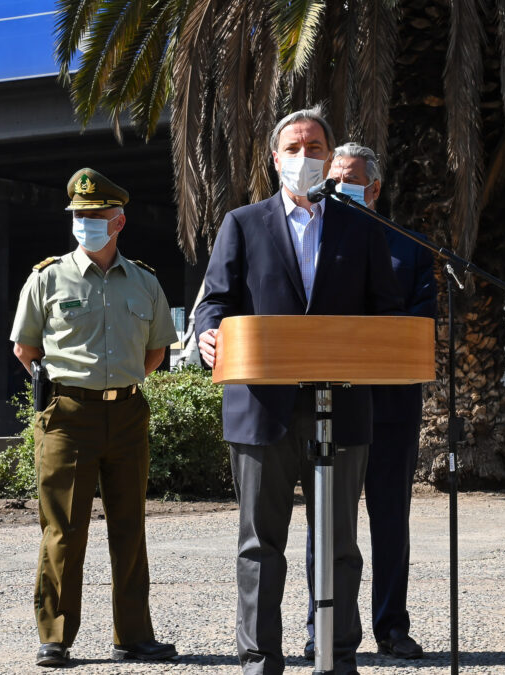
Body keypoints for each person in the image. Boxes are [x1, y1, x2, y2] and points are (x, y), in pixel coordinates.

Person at [195, 108, 403, 675]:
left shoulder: (362, 228)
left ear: (330, 160)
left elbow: (385, 311)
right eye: (293, 146)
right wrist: (210, 332)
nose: (303, 156)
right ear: (274, 157)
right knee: (260, 545)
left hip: (342, 407)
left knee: (338, 545)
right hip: (262, 408)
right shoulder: (242, 223)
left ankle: (335, 657)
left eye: (315, 147)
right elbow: (215, 299)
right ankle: (260, 659)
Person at [10, 168, 178, 668]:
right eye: (79, 215)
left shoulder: (145, 282)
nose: (85, 222)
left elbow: (155, 353)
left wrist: (118, 384)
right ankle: (55, 637)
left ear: (119, 220)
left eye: (95, 215)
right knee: (63, 529)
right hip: (67, 416)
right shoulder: (47, 277)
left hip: (127, 414)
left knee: (130, 527)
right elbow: (25, 347)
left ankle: (133, 635)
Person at [300, 142, 435, 661]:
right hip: (331, 406)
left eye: (349, 180)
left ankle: (391, 628)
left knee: (389, 520)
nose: (337, 189)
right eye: (330, 180)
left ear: (373, 188)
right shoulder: (314, 241)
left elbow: (417, 325)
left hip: (393, 406)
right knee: (328, 523)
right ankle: (323, 628)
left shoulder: (410, 247)